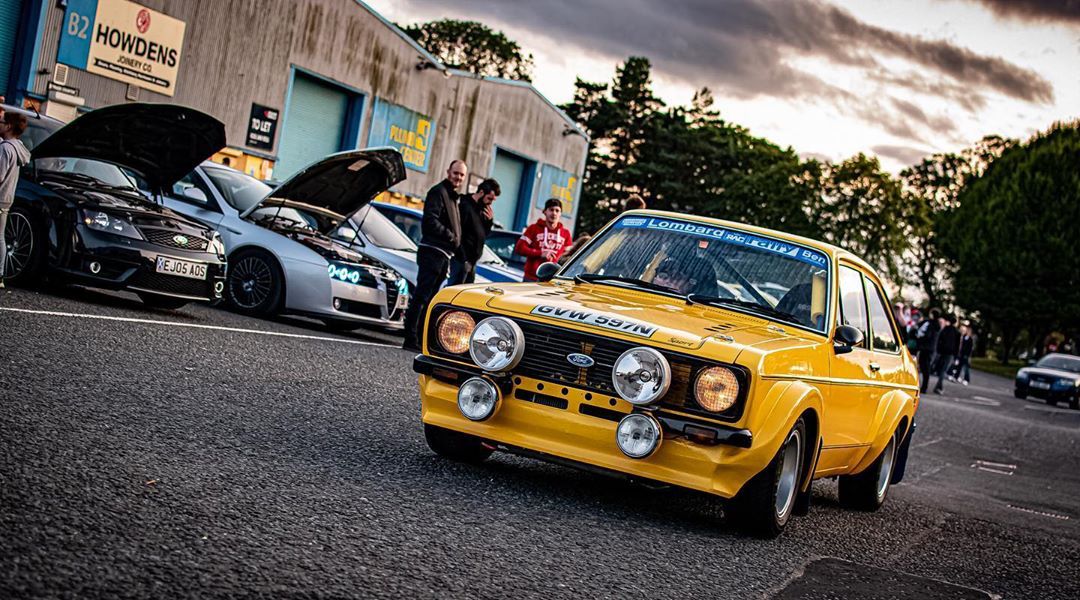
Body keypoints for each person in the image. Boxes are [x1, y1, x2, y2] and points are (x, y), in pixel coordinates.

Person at [401, 160, 467, 351]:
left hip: (443, 254)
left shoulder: (453, 197)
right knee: (422, 297)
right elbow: (430, 221)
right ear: (448, 171)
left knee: (430, 299)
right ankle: (410, 338)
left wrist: (455, 242)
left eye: (462, 175)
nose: (458, 178)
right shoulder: (438, 192)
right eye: (456, 173)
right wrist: (451, 236)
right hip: (432, 252)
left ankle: (421, 339)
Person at [447, 178, 500, 285]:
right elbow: (458, 233)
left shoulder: (483, 210)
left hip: (472, 261)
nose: (490, 203)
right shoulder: (465, 205)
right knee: (454, 288)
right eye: (489, 198)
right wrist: (464, 259)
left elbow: (483, 235)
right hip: (461, 259)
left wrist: (489, 222)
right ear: (481, 193)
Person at [0, 112, 31, 289]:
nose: (0, 124)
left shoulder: (5, 149)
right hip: (7, 198)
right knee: (0, 237)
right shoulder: (18, 148)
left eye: (2, 122)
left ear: (9, 126)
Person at [515, 198, 572, 281]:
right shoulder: (533, 228)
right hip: (532, 277)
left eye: (557, 210)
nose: (554, 213)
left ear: (560, 214)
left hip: (554, 280)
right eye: (551, 210)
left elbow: (569, 256)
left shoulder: (566, 233)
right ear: (544, 211)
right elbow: (519, 248)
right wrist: (540, 253)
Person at [915, 308, 941, 394]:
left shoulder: (930, 324)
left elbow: (926, 335)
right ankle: (924, 386)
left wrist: (920, 339)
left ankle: (924, 387)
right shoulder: (937, 325)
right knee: (926, 368)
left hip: (925, 348)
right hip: (931, 349)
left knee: (924, 368)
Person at [933, 314, 960, 394]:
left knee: (941, 369)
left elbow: (940, 340)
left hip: (942, 352)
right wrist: (956, 356)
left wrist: (938, 350)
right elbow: (957, 346)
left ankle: (939, 386)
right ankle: (939, 387)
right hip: (950, 353)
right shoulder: (957, 332)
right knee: (943, 370)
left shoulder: (945, 329)